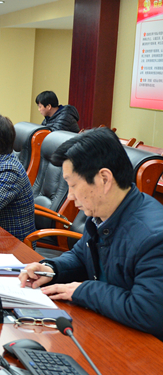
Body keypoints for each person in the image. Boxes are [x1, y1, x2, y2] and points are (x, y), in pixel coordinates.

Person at [20, 128, 163, 340]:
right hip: (107, 329)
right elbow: (81, 256)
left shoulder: (154, 236)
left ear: (104, 179)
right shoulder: (102, 214)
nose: (70, 195)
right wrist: (51, 269)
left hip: (142, 348)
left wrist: (83, 291)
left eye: (73, 185)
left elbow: (148, 312)